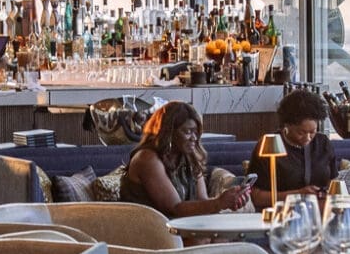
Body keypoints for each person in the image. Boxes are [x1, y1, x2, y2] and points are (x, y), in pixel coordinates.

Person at [120, 101, 251, 218]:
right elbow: (175, 208)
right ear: (168, 133)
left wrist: (228, 202)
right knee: (202, 238)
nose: (194, 137)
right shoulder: (147, 159)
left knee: (219, 236)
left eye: (196, 132)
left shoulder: (189, 155)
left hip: (179, 226)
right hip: (147, 229)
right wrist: (219, 203)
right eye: (187, 132)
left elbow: (202, 201)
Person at [247, 87, 338, 209]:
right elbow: (256, 197)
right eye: (301, 132)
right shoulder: (270, 144)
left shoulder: (323, 143)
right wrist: (298, 195)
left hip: (320, 214)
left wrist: (328, 194)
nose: (307, 138)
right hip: (282, 214)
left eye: (312, 132)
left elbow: (333, 182)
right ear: (287, 125)